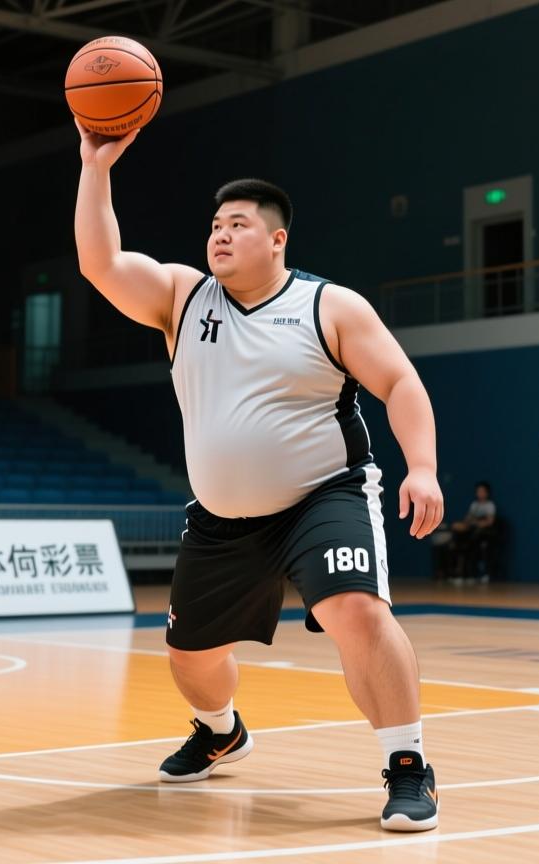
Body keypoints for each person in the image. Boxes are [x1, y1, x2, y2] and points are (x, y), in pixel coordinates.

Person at [73, 121, 444, 832]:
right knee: (189, 656)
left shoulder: (329, 306)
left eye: (237, 225)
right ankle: (222, 731)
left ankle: (407, 765)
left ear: (277, 240)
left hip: (322, 495)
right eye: (215, 226)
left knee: (357, 611)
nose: (220, 236)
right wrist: (96, 167)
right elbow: (101, 262)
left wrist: (421, 468)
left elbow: (401, 383)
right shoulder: (182, 297)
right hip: (221, 519)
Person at [447, 481, 497, 582]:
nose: (479, 493)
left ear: (487, 493)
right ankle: (460, 574)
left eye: (482, 491)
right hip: (470, 533)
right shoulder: (474, 505)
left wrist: (476, 523)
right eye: (478, 491)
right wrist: (462, 525)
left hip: (482, 535)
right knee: (459, 542)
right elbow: (467, 520)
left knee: (473, 547)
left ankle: (476, 574)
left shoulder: (490, 505)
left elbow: (489, 522)